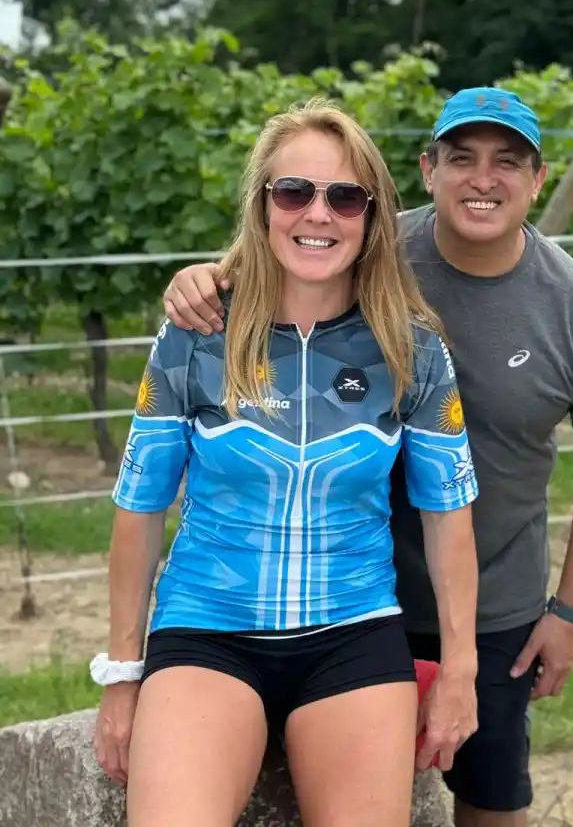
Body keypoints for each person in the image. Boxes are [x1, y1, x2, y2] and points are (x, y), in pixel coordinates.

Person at [162, 86, 573, 827]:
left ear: (538, 179)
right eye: (462, 159)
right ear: (427, 169)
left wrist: (568, 612)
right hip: (355, 597)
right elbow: (274, 253)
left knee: (488, 800)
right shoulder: (370, 244)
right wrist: (201, 278)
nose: (484, 179)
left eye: (508, 163)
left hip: (488, 606)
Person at [92, 100, 480, 827]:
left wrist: (459, 670)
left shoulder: (415, 347)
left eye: (345, 196)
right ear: (263, 204)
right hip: (208, 633)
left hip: (354, 634)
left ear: (371, 217)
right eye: (294, 191)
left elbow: (448, 518)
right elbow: (139, 509)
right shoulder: (197, 332)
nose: (318, 214)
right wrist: (121, 676)